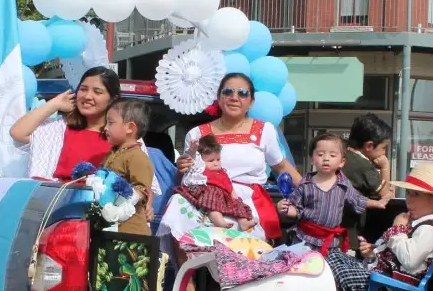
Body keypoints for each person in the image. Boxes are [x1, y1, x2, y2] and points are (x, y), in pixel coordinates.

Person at [158, 73, 302, 244]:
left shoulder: (264, 131)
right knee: (182, 227)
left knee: (246, 258)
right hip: (205, 201)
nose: (235, 97)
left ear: (251, 102)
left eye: (242, 93)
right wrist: (182, 169)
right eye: (228, 92)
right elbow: (186, 180)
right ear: (219, 99)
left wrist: (315, 192)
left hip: (246, 202)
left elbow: (281, 167)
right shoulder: (197, 134)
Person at [331, 163, 433, 291]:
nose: (409, 199)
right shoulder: (419, 222)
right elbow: (398, 256)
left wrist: (398, 229)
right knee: (333, 256)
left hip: (395, 290)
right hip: (386, 279)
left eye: (417, 194)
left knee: (340, 271)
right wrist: (372, 255)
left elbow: (410, 260)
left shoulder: (431, 228)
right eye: (408, 193)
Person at [278, 132, 389, 256]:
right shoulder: (305, 184)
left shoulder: (343, 184)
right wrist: (285, 209)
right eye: (320, 154)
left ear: (342, 162)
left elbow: (358, 200)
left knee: (340, 274)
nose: (326, 158)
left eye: (332, 155)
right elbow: (296, 209)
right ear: (312, 159)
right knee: (300, 271)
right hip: (304, 240)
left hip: (331, 244)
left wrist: (378, 203)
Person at [9, 67, 119, 181]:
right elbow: (17, 133)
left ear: (112, 99)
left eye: (97, 92)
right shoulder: (61, 128)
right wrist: (54, 104)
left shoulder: (121, 134)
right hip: (56, 196)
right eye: (83, 89)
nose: (87, 96)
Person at [175, 134, 255, 232]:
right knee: (212, 204)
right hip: (207, 191)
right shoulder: (200, 168)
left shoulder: (223, 173)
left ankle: (243, 223)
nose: (216, 163)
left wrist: (234, 197)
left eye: (218, 159)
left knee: (238, 204)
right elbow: (192, 160)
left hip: (223, 195)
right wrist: (193, 150)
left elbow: (229, 186)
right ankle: (220, 222)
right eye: (211, 160)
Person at [101, 99, 155, 236]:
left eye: (110, 123)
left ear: (130, 127)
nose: (105, 128)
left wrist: (120, 210)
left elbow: (142, 189)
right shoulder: (111, 154)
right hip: (111, 228)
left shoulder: (137, 157)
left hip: (131, 231)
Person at [341, 113, 394, 252]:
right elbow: (385, 195)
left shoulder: (343, 155)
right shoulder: (363, 166)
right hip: (350, 234)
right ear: (369, 146)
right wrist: (385, 167)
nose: (384, 153)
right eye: (383, 148)